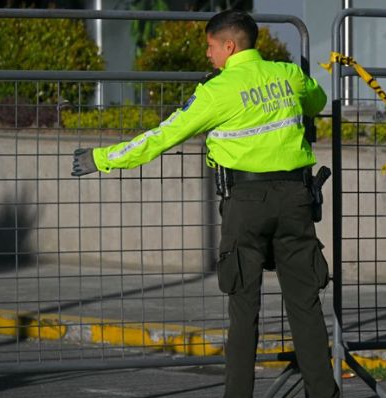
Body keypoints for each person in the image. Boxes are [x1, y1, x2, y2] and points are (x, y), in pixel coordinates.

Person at [71, 9, 338, 398]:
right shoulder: (288, 75)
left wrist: (101, 159)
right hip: (296, 200)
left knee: (244, 310)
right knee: (306, 306)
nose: (208, 55)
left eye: (211, 47)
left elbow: (160, 137)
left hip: (246, 204)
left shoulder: (216, 91)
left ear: (229, 45)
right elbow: (317, 100)